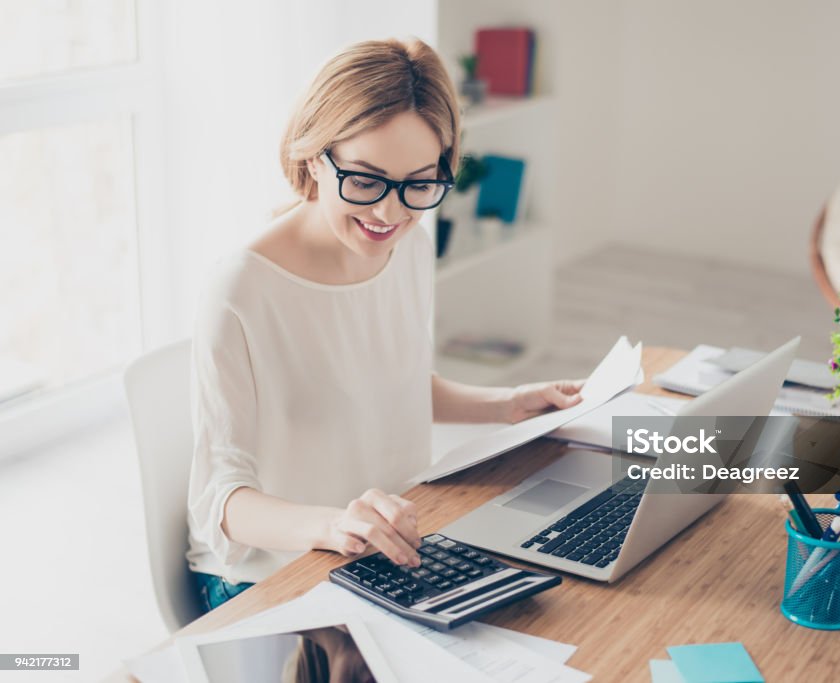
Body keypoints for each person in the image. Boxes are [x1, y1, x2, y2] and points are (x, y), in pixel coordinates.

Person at [186, 38, 583, 613]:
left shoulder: (408, 248)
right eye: (366, 181)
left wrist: (509, 403)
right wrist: (335, 525)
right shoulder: (242, 287)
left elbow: (392, 384)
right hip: (273, 576)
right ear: (314, 155)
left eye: (419, 183)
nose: (390, 213)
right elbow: (219, 501)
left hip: (389, 555)